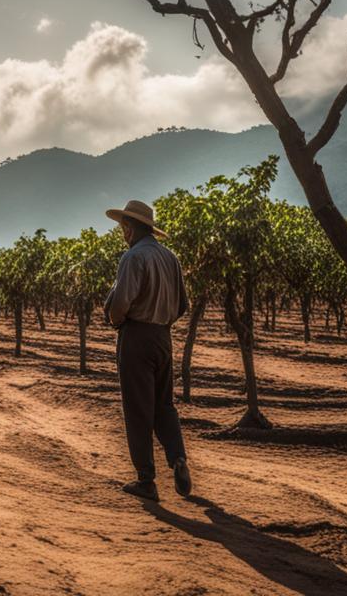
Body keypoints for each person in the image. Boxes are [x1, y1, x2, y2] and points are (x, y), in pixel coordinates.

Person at [104, 200, 192, 502]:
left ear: (129, 228)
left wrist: (119, 321)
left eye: (122, 228)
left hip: (136, 338)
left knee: (138, 408)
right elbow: (182, 305)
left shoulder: (133, 257)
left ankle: (146, 479)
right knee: (163, 405)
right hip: (163, 338)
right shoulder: (170, 257)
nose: (121, 233)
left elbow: (119, 306)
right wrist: (161, 322)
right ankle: (178, 458)